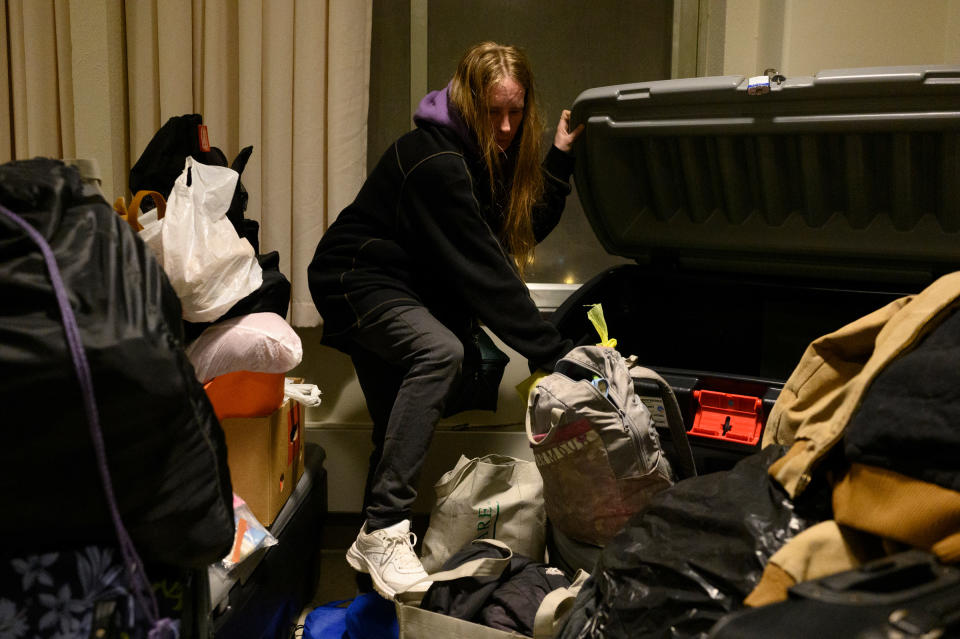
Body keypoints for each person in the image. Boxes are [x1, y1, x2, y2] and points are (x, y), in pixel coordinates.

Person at [308, 41, 584, 599]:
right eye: (493, 112)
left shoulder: (479, 156)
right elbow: (487, 273)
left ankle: (369, 592)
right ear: (467, 101)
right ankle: (385, 527)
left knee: (393, 432)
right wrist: (553, 354)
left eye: (516, 111)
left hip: (401, 287)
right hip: (355, 279)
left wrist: (559, 156)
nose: (506, 127)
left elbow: (510, 234)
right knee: (439, 352)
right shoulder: (436, 161)